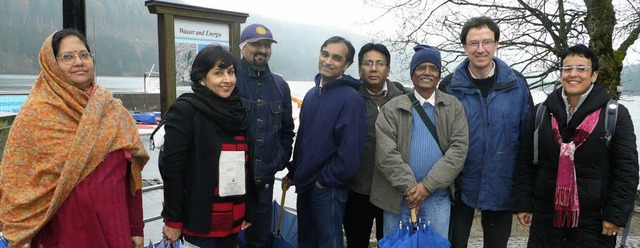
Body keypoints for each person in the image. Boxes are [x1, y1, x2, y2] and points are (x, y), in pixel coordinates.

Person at [0, 28, 149, 247]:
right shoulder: (35, 116)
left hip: (116, 233)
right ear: (52, 64)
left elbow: (131, 177)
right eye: (67, 57)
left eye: (84, 55)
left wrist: (136, 227)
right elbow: (16, 185)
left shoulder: (113, 112)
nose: (78, 62)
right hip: (63, 236)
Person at [513, 44, 639, 247]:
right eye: (567, 69)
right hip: (546, 219)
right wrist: (522, 203)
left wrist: (615, 215)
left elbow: (627, 170)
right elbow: (525, 162)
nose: (573, 74)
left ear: (594, 75)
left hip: (594, 222)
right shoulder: (542, 113)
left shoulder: (614, 115)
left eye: (581, 68)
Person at [438, 16, 533, 248]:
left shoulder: (517, 85)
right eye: (473, 43)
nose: (480, 49)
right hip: (458, 185)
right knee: (452, 243)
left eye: (487, 42)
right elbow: (438, 139)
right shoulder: (449, 87)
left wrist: (524, 196)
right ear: (464, 46)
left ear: (497, 44)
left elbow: (527, 141)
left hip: (501, 183)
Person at [160, 44, 255, 248]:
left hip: (234, 218)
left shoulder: (238, 111)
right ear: (202, 78)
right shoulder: (186, 110)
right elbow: (173, 170)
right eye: (218, 73)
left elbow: (248, 167)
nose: (227, 80)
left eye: (230, 72)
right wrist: (173, 220)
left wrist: (249, 210)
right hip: (201, 222)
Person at [371, 44, 469, 237]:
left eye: (433, 68)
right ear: (412, 72)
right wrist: (410, 188)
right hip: (398, 198)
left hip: (437, 199)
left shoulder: (453, 107)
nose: (427, 72)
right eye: (421, 67)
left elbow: (458, 150)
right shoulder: (392, 108)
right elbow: (385, 154)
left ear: (439, 74)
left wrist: (426, 186)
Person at [282, 36, 367, 248]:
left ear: (346, 65)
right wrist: (293, 172)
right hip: (305, 184)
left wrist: (324, 181)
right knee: (306, 242)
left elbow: (351, 153)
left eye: (337, 58)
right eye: (325, 54)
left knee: (329, 243)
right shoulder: (312, 94)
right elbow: (304, 140)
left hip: (328, 189)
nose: (328, 61)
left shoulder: (352, 99)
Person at [343, 42, 409, 246]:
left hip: (392, 189)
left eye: (379, 63)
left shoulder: (404, 98)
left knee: (390, 242)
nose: (373, 68)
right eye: (368, 63)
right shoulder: (350, 98)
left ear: (388, 69)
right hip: (357, 188)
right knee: (356, 241)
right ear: (359, 69)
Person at [236, 23, 295, 248]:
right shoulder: (229, 80)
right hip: (230, 182)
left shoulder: (280, 86)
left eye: (267, 45)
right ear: (243, 47)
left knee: (259, 241)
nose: (262, 49)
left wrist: (278, 160)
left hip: (265, 182)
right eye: (256, 44)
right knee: (223, 239)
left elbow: (287, 130)